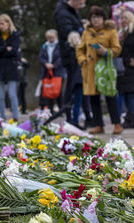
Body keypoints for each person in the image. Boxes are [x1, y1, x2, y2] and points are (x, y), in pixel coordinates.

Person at [76, 6, 123, 134]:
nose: (96, 20)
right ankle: (98, 125)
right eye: (93, 17)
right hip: (90, 69)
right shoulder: (86, 32)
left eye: (99, 17)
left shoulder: (111, 31)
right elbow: (80, 49)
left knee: (110, 96)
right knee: (93, 97)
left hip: (105, 69)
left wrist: (105, 51)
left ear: (103, 18)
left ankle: (117, 124)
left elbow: (117, 49)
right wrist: (82, 59)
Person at [54, 0, 93, 128]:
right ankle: (70, 118)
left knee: (79, 85)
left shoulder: (71, 12)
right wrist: (82, 30)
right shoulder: (62, 12)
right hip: (71, 54)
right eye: (81, 3)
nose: (82, 6)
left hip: (76, 53)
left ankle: (82, 116)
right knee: (73, 85)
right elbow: (69, 33)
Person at [0, 14, 20, 121]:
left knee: (12, 94)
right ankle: (2, 117)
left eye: (3, 23)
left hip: (11, 67)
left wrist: (0, 52)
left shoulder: (15, 35)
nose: (1, 26)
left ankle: (15, 117)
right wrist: (5, 48)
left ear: (8, 23)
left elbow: (14, 51)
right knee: (0, 95)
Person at [39, 29, 65, 113]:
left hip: (57, 72)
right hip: (47, 73)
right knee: (48, 91)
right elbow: (41, 57)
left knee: (58, 91)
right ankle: (49, 110)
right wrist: (46, 64)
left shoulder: (60, 46)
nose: (51, 39)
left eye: (52, 37)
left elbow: (61, 58)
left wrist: (54, 65)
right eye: (49, 38)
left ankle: (61, 110)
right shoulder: (44, 46)